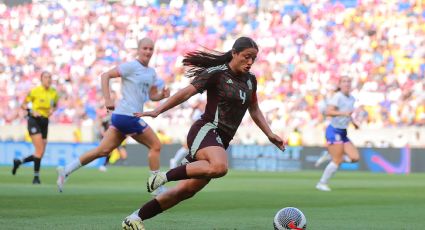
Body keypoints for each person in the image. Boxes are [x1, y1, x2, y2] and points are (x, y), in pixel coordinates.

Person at [121, 37, 285, 229]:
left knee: (185, 191)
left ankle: (134, 218)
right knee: (219, 167)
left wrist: (269, 133)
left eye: (253, 59)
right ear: (234, 53)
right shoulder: (217, 73)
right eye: (247, 57)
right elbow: (186, 92)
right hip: (206, 130)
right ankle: (163, 176)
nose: (250, 62)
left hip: (221, 141)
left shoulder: (250, 81)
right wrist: (158, 110)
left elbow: (254, 108)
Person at [56, 37, 170, 195]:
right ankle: (156, 187)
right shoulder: (131, 66)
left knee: (102, 151)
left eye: (151, 49)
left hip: (122, 117)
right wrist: (108, 99)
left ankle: (65, 171)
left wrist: (162, 96)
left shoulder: (151, 73)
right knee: (156, 145)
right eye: (145, 48)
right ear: (138, 50)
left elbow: (151, 95)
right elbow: (105, 75)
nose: (148, 51)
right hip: (127, 115)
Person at [12, 71, 59, 184]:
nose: (48, 79)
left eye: (50, 77)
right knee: (39, 150)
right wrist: (32, 111)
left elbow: (55, 105)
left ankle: (19, 162)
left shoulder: (54, 92)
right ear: (41, 79)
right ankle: (36, 177)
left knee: (41, 153)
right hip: (34, 121)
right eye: (46, 77)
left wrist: (53, 109)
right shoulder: (35, 91)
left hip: (44, 121)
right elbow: (23, 104)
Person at [315, 76, 360, 192]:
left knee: (355, 158)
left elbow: (348, 114)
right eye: (344, 81)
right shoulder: (337, 96)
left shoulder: (352, 98)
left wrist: (353, 123)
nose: (347, 84)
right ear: (339, 85)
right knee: (337, 161)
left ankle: (330, 155)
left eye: (349, 81)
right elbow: (328, 112)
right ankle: (321, 183)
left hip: (343, 131)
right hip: (334, 130)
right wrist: (344, 113)